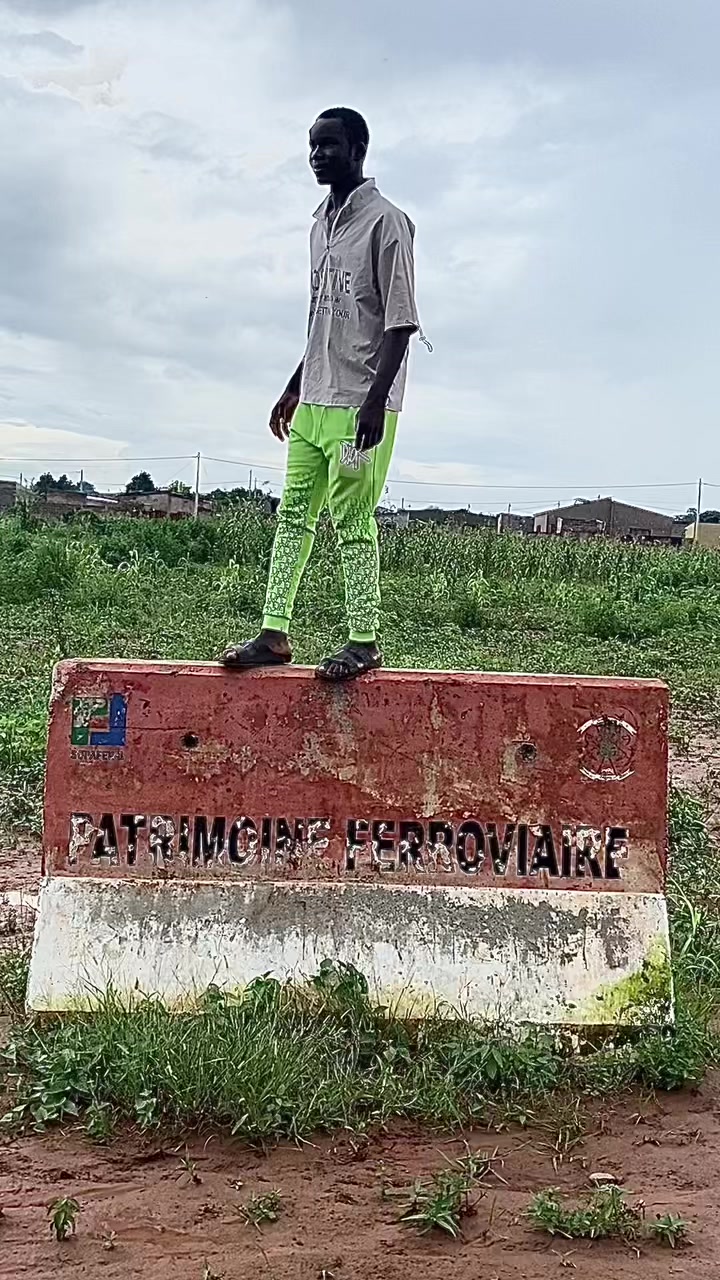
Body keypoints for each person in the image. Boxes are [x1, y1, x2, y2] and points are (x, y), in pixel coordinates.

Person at [222, 106, 420, 681]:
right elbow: (322, 320)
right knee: (293, 517)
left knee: (352, 520)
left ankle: (364, 641)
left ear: (358, 149)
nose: (317, 157)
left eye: (328, 145)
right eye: (312, 147)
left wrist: (376, 401)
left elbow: (400, 322)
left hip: (359, 406)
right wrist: (293, 386)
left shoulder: (387, 223)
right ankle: (273, 633)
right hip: (314, 400)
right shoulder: (319, 226)